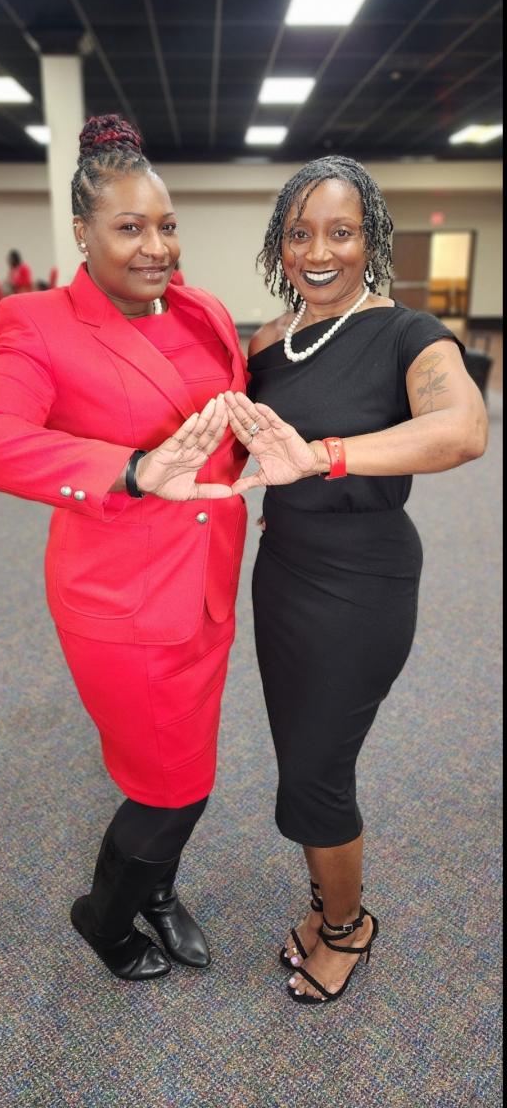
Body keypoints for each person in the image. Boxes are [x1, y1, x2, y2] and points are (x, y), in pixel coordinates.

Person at [0, 114, 248, 983]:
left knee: (183, 766)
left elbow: (223, 426)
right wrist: (129, 469)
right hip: (124, 604)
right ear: (82, 233)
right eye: (129, 227)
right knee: (173, 785)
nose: (156, 246)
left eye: (166, 224)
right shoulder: (38, 322)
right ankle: (105, 918)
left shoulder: (203, 309)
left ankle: (157, 888)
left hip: (207, 587)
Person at [223, 155, 487, 1007]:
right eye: (300, 233)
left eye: (341, 232)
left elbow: (463, 430)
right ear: (280, 244)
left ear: (371, 240)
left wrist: (325, 455)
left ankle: (347, 927)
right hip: (284, 572)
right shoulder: (268, 342)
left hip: (363, 581)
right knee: (301, 754)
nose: (319, 251)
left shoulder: (410, 334)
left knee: (317, 772)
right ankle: (320, 902)